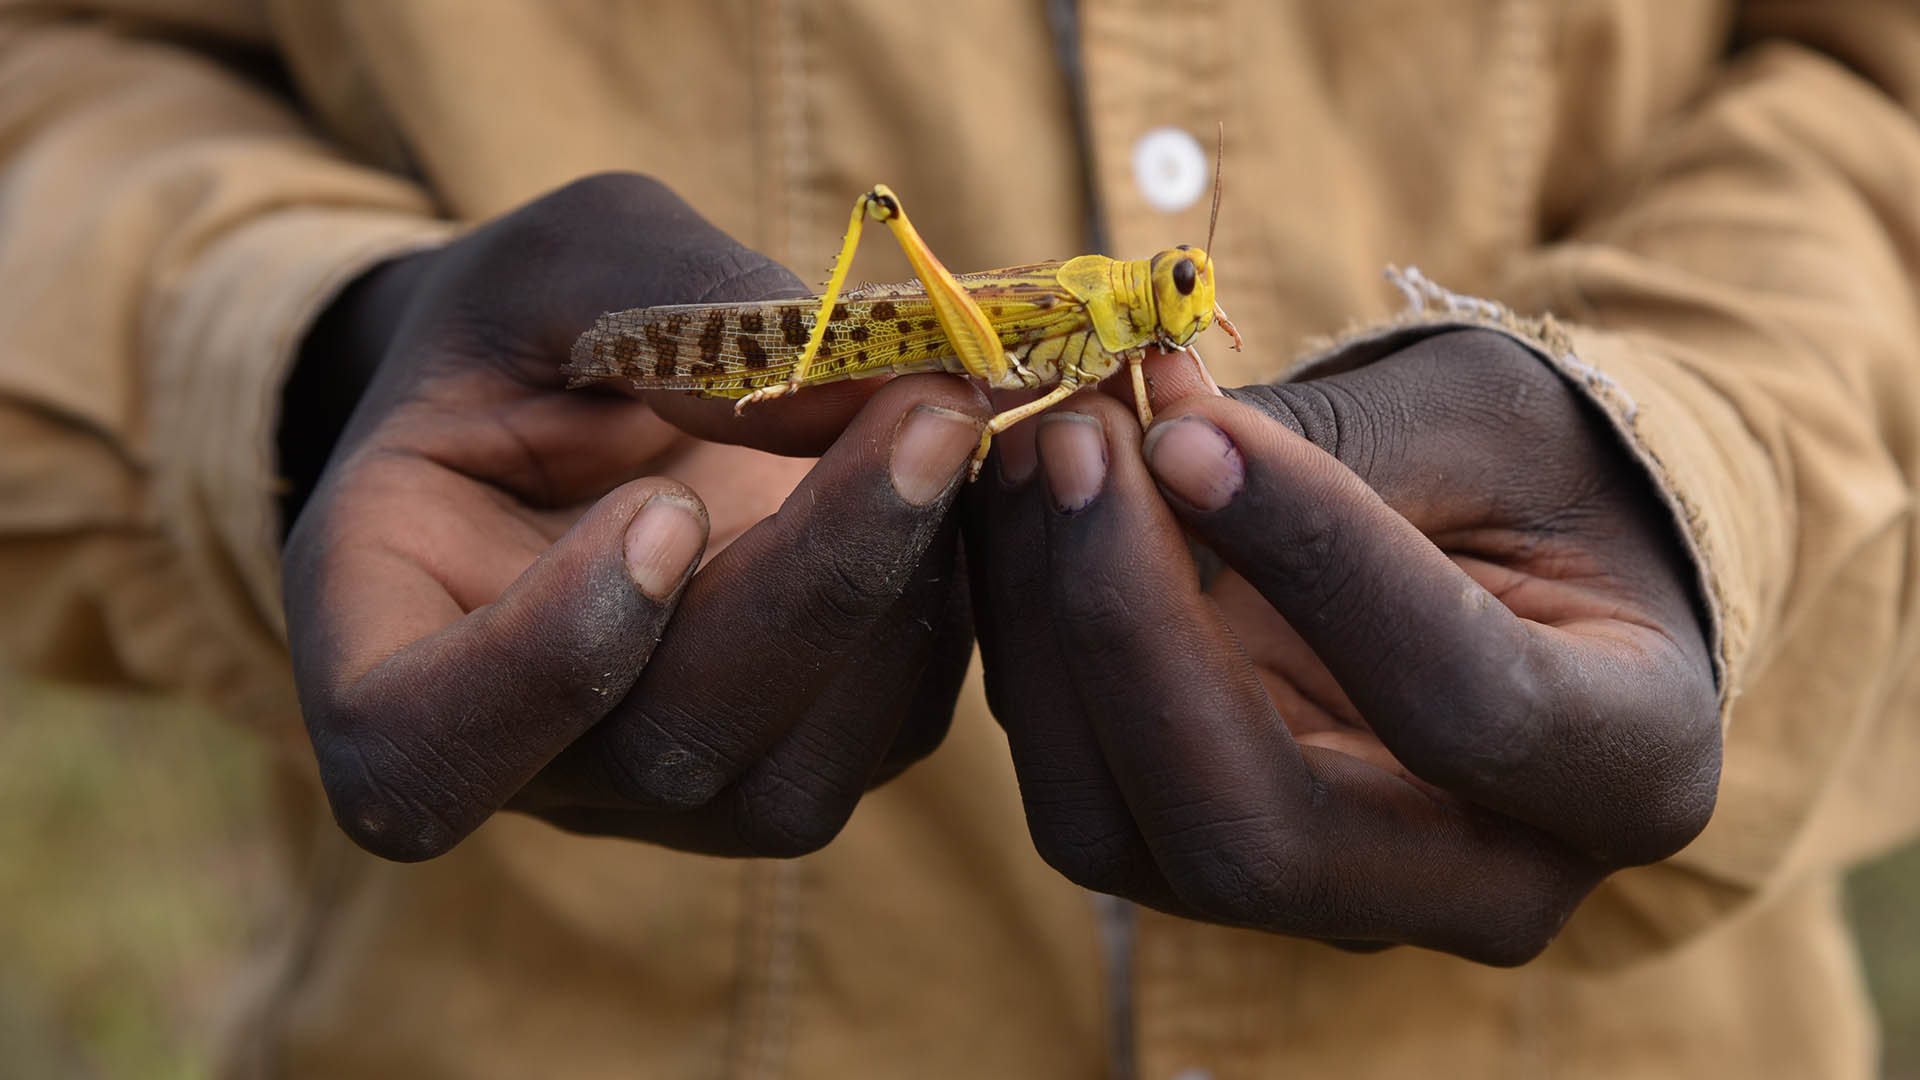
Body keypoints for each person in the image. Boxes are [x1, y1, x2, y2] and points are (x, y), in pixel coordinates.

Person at [2, 1, 1916, 1076]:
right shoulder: (1087, 327)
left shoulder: (1142, 325)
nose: (1184, 311)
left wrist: (1691, 460)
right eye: (1172, 298)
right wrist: (321, 353)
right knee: (939, 369)